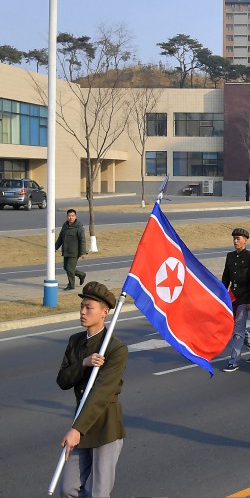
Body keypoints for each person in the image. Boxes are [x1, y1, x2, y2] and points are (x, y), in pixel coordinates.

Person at [57, 282, 128, 498]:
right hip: (81, 424)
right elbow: (63, 380)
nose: (82, 311)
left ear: (105, 312)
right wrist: (84, 363)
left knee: (98, 493)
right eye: (81, 306)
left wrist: (76, 430)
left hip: (105, 427)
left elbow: (101, 394)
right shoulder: (75, 342)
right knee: (68, 489)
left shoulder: (116, 349)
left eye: (89, 307)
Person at [221, 228, 250, 372]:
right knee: (235, 327)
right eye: (234, 239)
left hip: (244, 296)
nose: (235, 241)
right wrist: (222, 295)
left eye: (238, 238)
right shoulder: (230, 256)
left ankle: (234, 360)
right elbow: (226, 277)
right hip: (232, 296)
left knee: (238, 330)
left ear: (245, 240)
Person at [55, 209, 87, 291]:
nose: (71, 217)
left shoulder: (79, 227)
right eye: (69, 216)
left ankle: (71, 285)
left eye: (72, 216)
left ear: (75, 216)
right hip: (66, 251)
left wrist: (83, 253)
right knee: (66, 267)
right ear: (67, 216)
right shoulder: (65, 225)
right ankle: (81, 275)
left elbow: (82, 240)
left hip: (74, 252)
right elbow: (60, 238)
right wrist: (55, 247)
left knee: (69, 268)